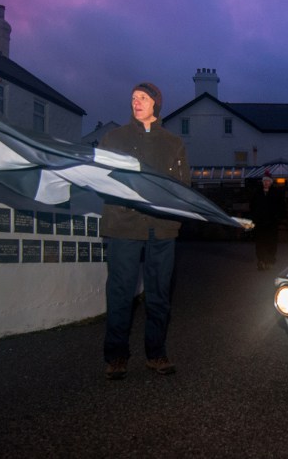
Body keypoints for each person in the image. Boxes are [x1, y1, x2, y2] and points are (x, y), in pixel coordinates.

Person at [99, 82, 190, 380]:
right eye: (133, 97)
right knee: (120, 293)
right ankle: (116, 357)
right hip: (123, 226)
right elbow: (102, 178)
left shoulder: (173, 143)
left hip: (161, 230)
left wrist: (173, 221)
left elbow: (182, 187)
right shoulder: (114, 138)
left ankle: (156, 353)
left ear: (156, 104)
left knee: (159, 295)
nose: (136, 102)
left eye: (143, 98)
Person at [249, 172, 285, 271]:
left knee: (271, 243)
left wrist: (277, 217)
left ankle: (269, 261)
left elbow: (281, 207)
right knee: (260, 242)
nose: (266, 183)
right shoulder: (257, 193)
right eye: (264, 181)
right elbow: (252, 206)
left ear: (271, 182)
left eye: (268, 181)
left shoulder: (276, 193)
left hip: (271, 223)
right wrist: (254, 218)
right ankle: (261, 261)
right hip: (260, 223)